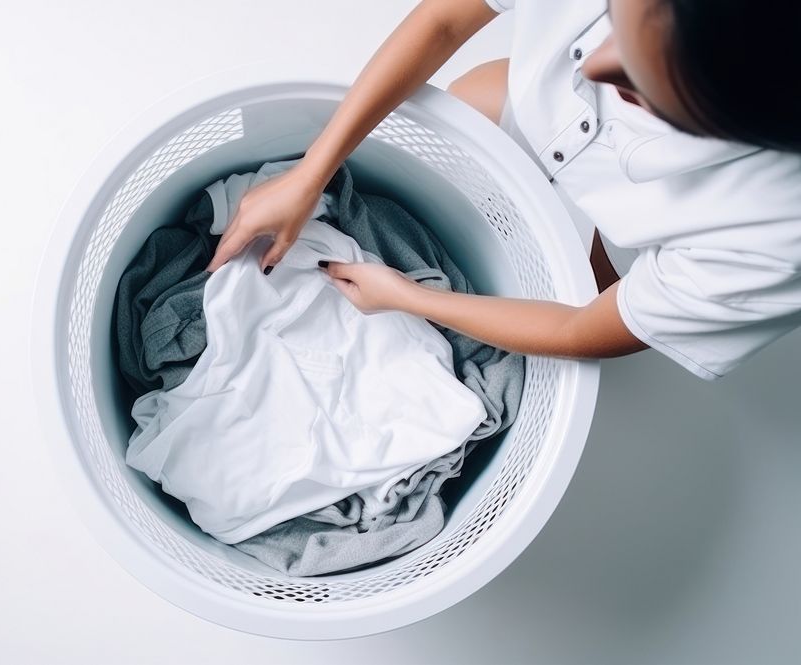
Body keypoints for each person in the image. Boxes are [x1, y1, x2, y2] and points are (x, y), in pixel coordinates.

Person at [205, 0, 801, 381]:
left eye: (635, 89)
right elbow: (445, 17)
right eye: (613, 20)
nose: (591, 68)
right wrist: (312, 171)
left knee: (582, 285)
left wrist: (409, 297)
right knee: (475, 102)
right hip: (520, 112)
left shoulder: (777, 235)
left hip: (637, 240)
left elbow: (582, 329)